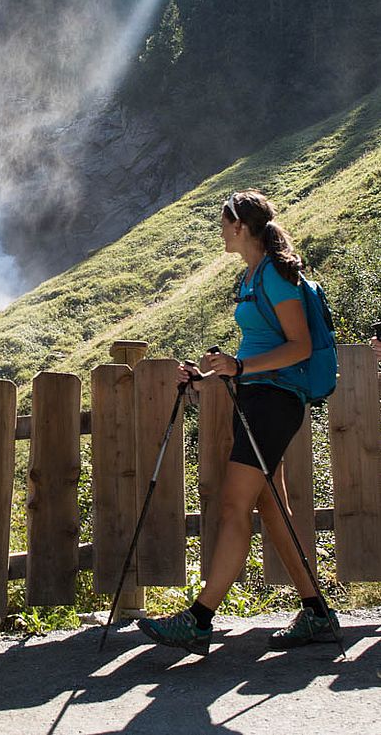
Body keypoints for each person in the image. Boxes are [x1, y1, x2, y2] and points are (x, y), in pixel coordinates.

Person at [138, 189, 340, 656]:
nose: (219, 230)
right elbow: (252, 353)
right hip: (257, 398)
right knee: (272, 509)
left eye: (223, 221)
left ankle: (199, 619)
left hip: (275, 402)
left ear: (240, 226)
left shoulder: (276, 276)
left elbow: (300, 347)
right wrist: (209, 376)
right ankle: (317, 613)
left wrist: (242, 369)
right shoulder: (253, 274)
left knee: (233, 507)